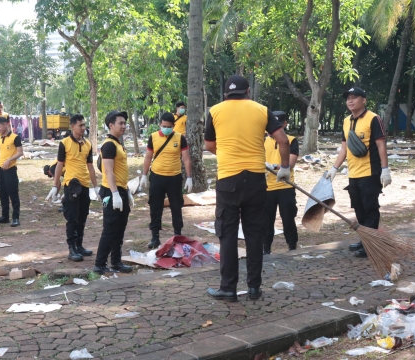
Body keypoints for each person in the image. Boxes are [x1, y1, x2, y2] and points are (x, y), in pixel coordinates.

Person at [204, 75, 291, 302]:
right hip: (255, 179)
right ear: (248, 91)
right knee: (254, 235)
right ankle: (254, 288)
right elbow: (282, 140)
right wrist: (284, 168)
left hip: (228, 180)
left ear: (226, 94)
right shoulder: (261, 110)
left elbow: (210, 145)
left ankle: (228, 288)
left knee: (228, 234)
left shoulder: (215, 111)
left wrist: (228, 155)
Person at [325, 87, 391, 258]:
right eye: (348, 98)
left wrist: (385, 169)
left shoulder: (373, 119)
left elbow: (381, 145)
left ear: (364, 100)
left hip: (370, 173)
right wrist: (334, 168)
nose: (350, 101)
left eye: (354, 97)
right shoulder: (346, 121)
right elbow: (344, 148)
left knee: (370, 209)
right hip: (353, 174)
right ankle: (365, 240)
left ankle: (371, 245)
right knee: (359, 209)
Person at [46, 114, 99, 262]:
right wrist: (55, 186)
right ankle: (72, 248)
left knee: (83, 216)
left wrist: (96, 187)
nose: (83, 128)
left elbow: (91, 167)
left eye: (84, 125)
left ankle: (79, 245)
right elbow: (59, 165)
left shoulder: (88, 144)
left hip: (84, 185)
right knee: (72, 218)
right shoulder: (64, 143)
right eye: (80, 125)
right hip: (71, 185)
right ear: (72, 126)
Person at [139, 112, 193, 249]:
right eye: (163, 126)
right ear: (160, 124)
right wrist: (144, 175)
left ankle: (177, 235)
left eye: (169, 126)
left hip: (174, 178)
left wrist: (189, 177)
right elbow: (148, 157)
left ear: (173, 126)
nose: (166, 128)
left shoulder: (180, 138)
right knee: (155, 207)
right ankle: (155, 237)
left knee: (176, 207)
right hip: (157, 177)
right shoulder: (153, 137)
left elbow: (186, 158)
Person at [93, 111, 134, 274]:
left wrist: (127, 191)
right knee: (110, 229)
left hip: (121, 190)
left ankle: (116, 261)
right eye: (120, 123)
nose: (124, 126)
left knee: (120, 228)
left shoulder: (118, 144)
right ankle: (100, 264)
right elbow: (108, 171)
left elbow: (120, 171)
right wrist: (115, 193)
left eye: (125, 123)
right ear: (111, 125)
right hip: (111, 192)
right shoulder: (109, 145)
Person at [263, 111, 300, 254]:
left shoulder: (291, 140)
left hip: (285, 186)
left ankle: (292, 246)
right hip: (267, 187)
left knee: (288, 218)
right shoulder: (262, 140)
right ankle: (266, 249)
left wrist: (273, 166)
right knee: (266, 221)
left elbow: (291, 163)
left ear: (285, 124)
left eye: (278, 124)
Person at [0, 116, 23, 226]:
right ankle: (5, 216)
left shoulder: (15, 138)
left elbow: (20, 152)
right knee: (2, 193)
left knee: (13, 194)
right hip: (0, 170)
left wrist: (9, 160)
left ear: (5, 124)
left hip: (10, 170)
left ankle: (16, 217)